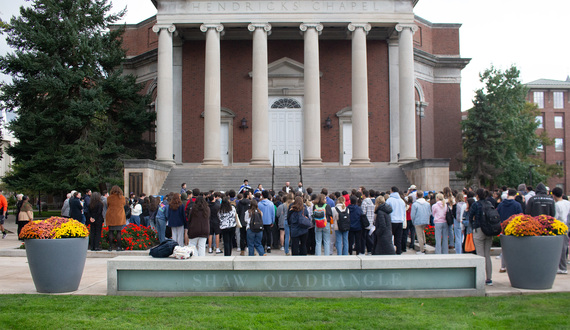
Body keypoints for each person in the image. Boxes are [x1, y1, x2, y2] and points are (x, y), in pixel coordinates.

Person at [469, 188, 494, 285]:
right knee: (487, 255)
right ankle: (489, 278)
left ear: (477, 196)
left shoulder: (476, 204)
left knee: (480, 255)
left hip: (479, 230)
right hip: (489, 231)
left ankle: (480, 278)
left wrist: (473, 224)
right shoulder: (489, 204)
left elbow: (470, 217)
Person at [552, 187, 570, 274]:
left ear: (553, 195)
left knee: (561, 248)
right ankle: (563, 265)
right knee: (565, 247)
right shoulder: (567, 203)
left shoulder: (557, 205)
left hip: (559, 227)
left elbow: (555, 217)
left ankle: (562, 268)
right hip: (567, 226)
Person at [105, 186, 126, 251]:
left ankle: (110, 247)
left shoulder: (109, 198)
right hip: (119, 216)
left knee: (111, 231)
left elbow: (107, 205)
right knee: (118, 232)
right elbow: (124, 204)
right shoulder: (122, 198)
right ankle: (119, 247)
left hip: (111, 216)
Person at [386, 186, 406, 255]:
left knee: (390, 237)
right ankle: (398, 252)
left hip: (392, 221)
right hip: (400, 221)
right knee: (398, 239)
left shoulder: (389, 200)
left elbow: (387, 211)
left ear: (391, 191)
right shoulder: (401, 201)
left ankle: (390, 251)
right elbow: (404, 212)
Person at [236, 190, 252, 256]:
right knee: (250, 236)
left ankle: (242, 250)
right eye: (250, 194)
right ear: (248, 195)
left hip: (241, 222)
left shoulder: (239, 203)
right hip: (248, 222)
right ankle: (249, 248)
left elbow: (238, 212)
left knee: (242, 236)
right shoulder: (250, 202)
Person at [360, 189, 375, 254]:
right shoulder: (372, 202)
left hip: (365, 222)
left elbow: (363, 212)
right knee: (368, 236)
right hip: (371, 220)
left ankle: (362, 251)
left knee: (363, 237)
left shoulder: (364, 202)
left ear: (364, 195)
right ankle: (369, 250)